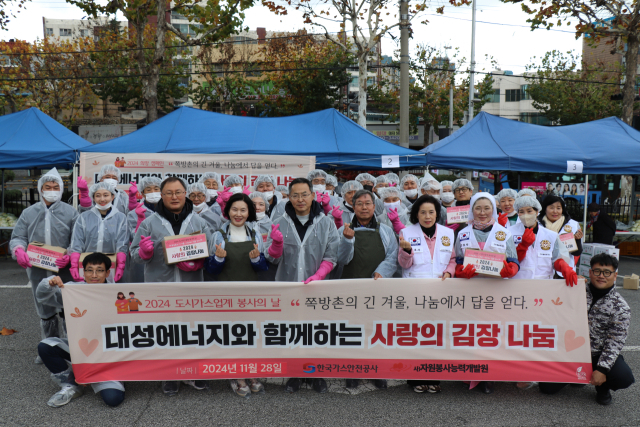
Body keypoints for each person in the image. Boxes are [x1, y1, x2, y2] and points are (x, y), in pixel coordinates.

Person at [130, 176, 212, 396]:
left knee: (191, 330)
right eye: (169, 193)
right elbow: (134, 254)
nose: (174, 197)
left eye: (178, 192)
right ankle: (170, 375)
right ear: (162, 196)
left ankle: (192, 372)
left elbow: (212, 250)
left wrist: (199, 261)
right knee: (166, 332)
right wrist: (144, 252)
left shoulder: (199, 221)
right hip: (160, 288)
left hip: (191, 286)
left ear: (185, 193)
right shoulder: (149, 222)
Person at [265, 177, 339, 394]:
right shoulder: (279, 220)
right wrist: (276, 246)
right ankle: (295, 373)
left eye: (304, 194)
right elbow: (272, 259)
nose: (300, 199)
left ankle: (316, 373)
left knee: (316, 330)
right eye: (295, 195)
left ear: (313, 195)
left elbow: (331, 255)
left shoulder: (325, 222)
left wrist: (320, 274)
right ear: (288, 196)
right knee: (292, 331)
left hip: (316, 287)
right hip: (287, 287)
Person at [539, 254, 634, 405]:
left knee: (623, 376)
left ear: (615, 275)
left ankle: (603, 386)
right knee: (546, 388)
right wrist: (571, 280)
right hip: (570, 352)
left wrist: (602, 369)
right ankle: (579, 376)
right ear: (590, 273)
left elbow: (615, 342)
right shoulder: (575, 291)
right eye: (597, 271)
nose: (601, 276)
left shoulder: (621, 307)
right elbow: (552, 295)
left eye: (607, 272)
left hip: (597, 354)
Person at [35, 252, 125, 407]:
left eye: (100, 270)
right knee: (45, 346)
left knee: (113, 399)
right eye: (89, 270)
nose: (94, 275)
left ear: (108, 273)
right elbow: (43, 296)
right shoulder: (72, 290)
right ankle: (70, 384)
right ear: (83, 272)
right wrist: (49, 282)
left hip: (109, 355)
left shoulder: (117, 294)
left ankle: (95, 375)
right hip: (80, 349)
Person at [453, 192, 520, 394]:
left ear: (494, 209)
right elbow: (457, 261)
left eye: (487, 208)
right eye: (478, 208)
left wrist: (511, 270)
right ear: (472, 210)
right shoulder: (463, 233)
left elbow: (514, 261)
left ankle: (490, 375)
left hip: (496, 292)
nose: (482, 213)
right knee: (471, 333)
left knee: (492, 333)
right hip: (470, 292)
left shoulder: (504, 233)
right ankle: (470, 373)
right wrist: (460, 272)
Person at [10, 168, 79, 358]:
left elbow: (77, 238)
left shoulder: (70, 212)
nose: (52, 190)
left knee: (68, 309)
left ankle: (72, 348)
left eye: (56, 187)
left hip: (64, 270)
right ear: (40, 189)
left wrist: (71, 254)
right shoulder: (28, 212)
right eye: (47, 187)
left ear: (62, 188)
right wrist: (19, 250)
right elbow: (18, 237)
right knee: (45, 310)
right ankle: (49, 349)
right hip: (38, 270)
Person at [205, 193, 268, 396]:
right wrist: (219, 260)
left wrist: (257, 259)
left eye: (243, 210)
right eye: (234, 209)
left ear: (249, 212)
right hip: (226, 293)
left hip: (250, 292)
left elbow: (263, 268)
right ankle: (237, 375)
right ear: (227, 211)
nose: (238, 214)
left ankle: (251, 372)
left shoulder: (255, 234)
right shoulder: (218, 236)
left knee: (250, 334)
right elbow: (211, 271)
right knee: (232, 334)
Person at [336, 189, 398, 390]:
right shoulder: (343, 230)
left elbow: (392, 257)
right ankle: (351, 371)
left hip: (376, 289)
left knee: (375, 331)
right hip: (350, 288)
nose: (364, 207)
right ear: (353, 207)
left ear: (374, 206)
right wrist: (347, 240)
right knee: (351, 331)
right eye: (359, 204)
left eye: (368, 203)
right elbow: (342, 260)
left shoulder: (386, 230)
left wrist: (381, 273)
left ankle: (375, 369)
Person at [397, 194, 456, 394]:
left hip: (440, 291)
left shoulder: (448, 233)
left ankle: (434, 377)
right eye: (422, 212)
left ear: (437, 214)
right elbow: (404, 265)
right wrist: (406, 252)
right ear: (416, 214)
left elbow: (453, 259)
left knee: (436, 335)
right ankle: (415, 378)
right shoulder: (406, 232)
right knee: (416, 334)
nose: (427, 216)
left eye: (431, 212)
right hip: (415, 292)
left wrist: (449, 272)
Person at [69, 182, 128, 282]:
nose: (102, 199)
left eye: (106, 195)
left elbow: (122, 244)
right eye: (98, 195)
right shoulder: (84, 217)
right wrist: (74, 265)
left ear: (113, 196)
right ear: (93, 197)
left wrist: (121, 265)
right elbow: (77, 243)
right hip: (88, 268)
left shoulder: (121, 218)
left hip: (110, 268)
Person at [510, 196, 575, 285]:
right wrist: (523, 245)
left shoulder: (550, 235)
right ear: (518, 213)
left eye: (529, 211)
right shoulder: (510, 232)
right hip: (519, 282)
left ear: (537, 212)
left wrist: (564, 267)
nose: (526, 215)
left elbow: (556, 258)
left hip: (544, 284)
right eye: (521, 212)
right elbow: (509, 260)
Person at [126, 176, 162, 282]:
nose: (153, 192)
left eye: (156, 189)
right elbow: (133, 238)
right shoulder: (133, 214)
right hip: (141, 258)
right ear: (142, 193)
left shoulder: (169, 212)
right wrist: (140, 221)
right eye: (148, 189)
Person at [538, 195, 583, 274]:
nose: (555, 211)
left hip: (565, 272)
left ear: (562, 209)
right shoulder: (537, 225)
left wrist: (577, 240)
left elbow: (576, 253)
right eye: (551, 208)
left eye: (558, 208)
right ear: (545, 209)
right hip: (542, 271)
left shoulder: (572, 225)